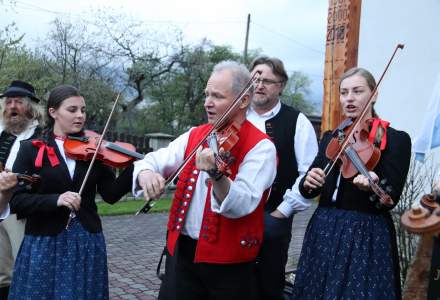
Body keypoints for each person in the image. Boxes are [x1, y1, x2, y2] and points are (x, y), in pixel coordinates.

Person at [134, 60, 277, 300]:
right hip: (182, 253)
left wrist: (216, 174)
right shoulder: (196, 134)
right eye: (207, 94)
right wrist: (147, 174)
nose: (208, 103)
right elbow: (153, 160)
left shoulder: (261, 147)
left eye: (217, 96)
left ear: (243, 100)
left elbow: (241, 204)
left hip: (228, 263)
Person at [290, 67, 411, 300]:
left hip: (364, 232)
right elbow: (308, 188)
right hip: (323, 228)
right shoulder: (332, 136)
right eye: (344, 93)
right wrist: (309, 182)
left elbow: (390, 198)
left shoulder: (395, 139)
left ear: (374, 94)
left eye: (357, 91)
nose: (349, 98)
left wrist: (373, 187)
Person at [7, 85, 133, 300]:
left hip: (86, 240)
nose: (80, 116)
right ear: (53, 112)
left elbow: (111, 195)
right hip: (44, 242)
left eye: (83, 110)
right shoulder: (31, 148)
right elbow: (17, 201)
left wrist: (135, 166)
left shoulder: (96, 150)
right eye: (72, 110)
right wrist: (56, 200)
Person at [247, 56, 318, 300]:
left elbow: (308, 172)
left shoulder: (297, 121)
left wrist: (283, 211)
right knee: (231, 282)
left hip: (272, 216)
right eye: (255, 78)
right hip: (232, 216)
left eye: (267, 80)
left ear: (281, 86)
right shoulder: (236, 115)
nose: (259, 85)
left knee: (269, 283)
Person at [0, 80, 44, 300]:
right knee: (1, 272)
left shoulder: (41, 137)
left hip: (19, 211)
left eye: (18, 102)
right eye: (9, 102)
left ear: (31, 108)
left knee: (22, 264)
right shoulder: (2, 133)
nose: (12, 107)